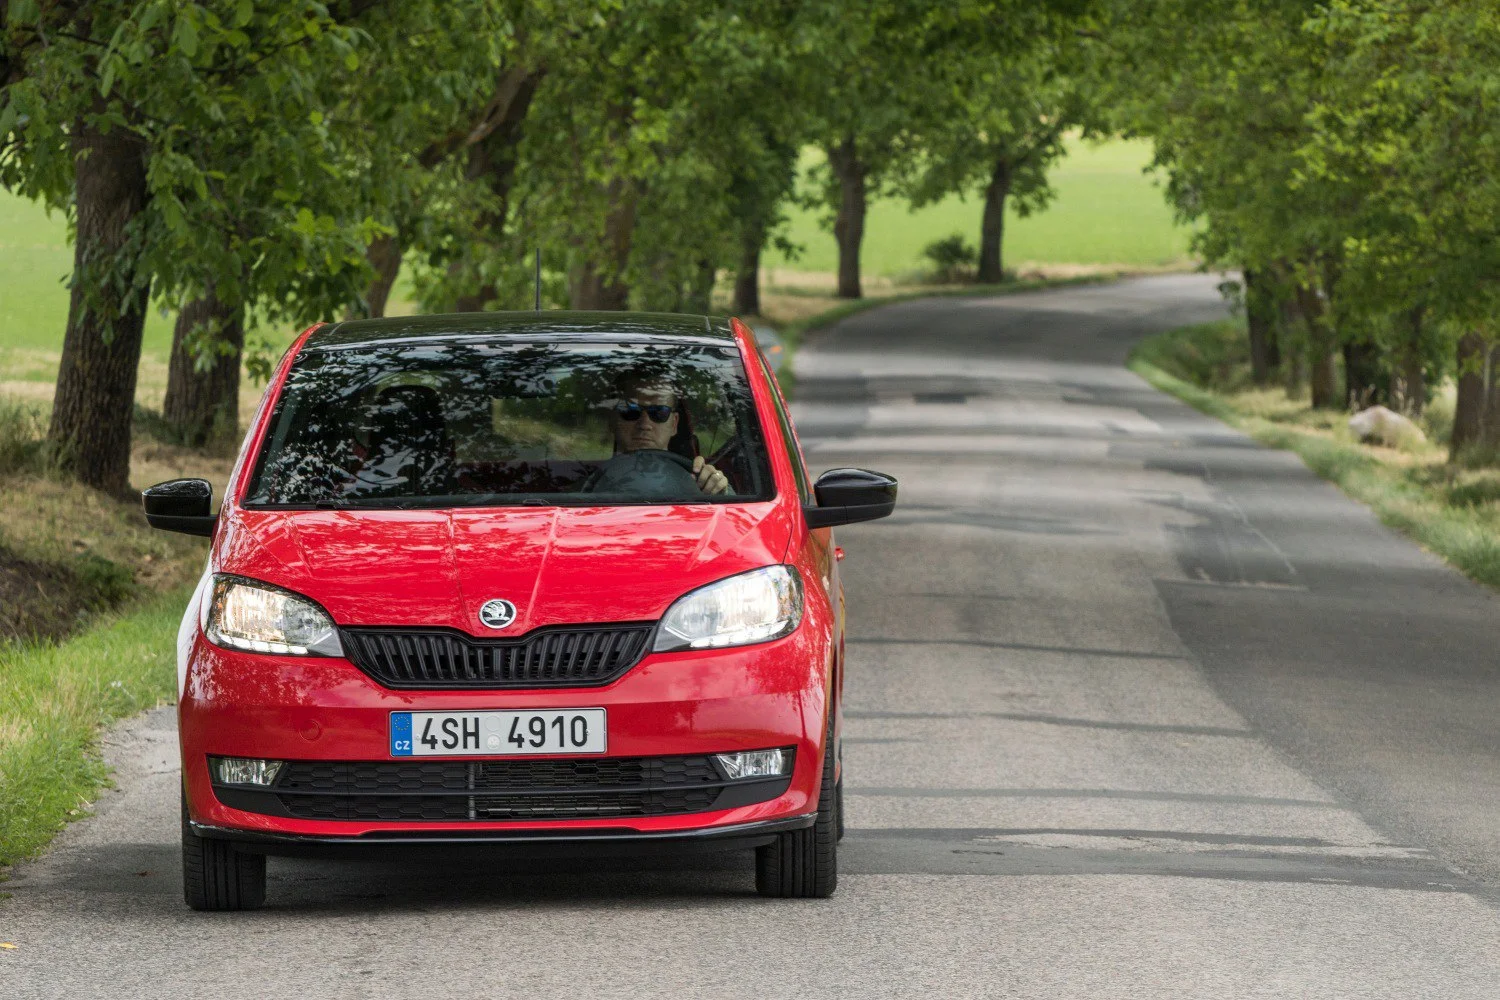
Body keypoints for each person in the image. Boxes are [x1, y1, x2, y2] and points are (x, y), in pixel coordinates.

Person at [587, 379, 731, 496]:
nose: (644, 424)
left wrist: (717, 488)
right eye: (630, 411)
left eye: (659, 412)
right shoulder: (583, 486)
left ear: (674, 424)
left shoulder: (696, 482)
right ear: (613, 420)